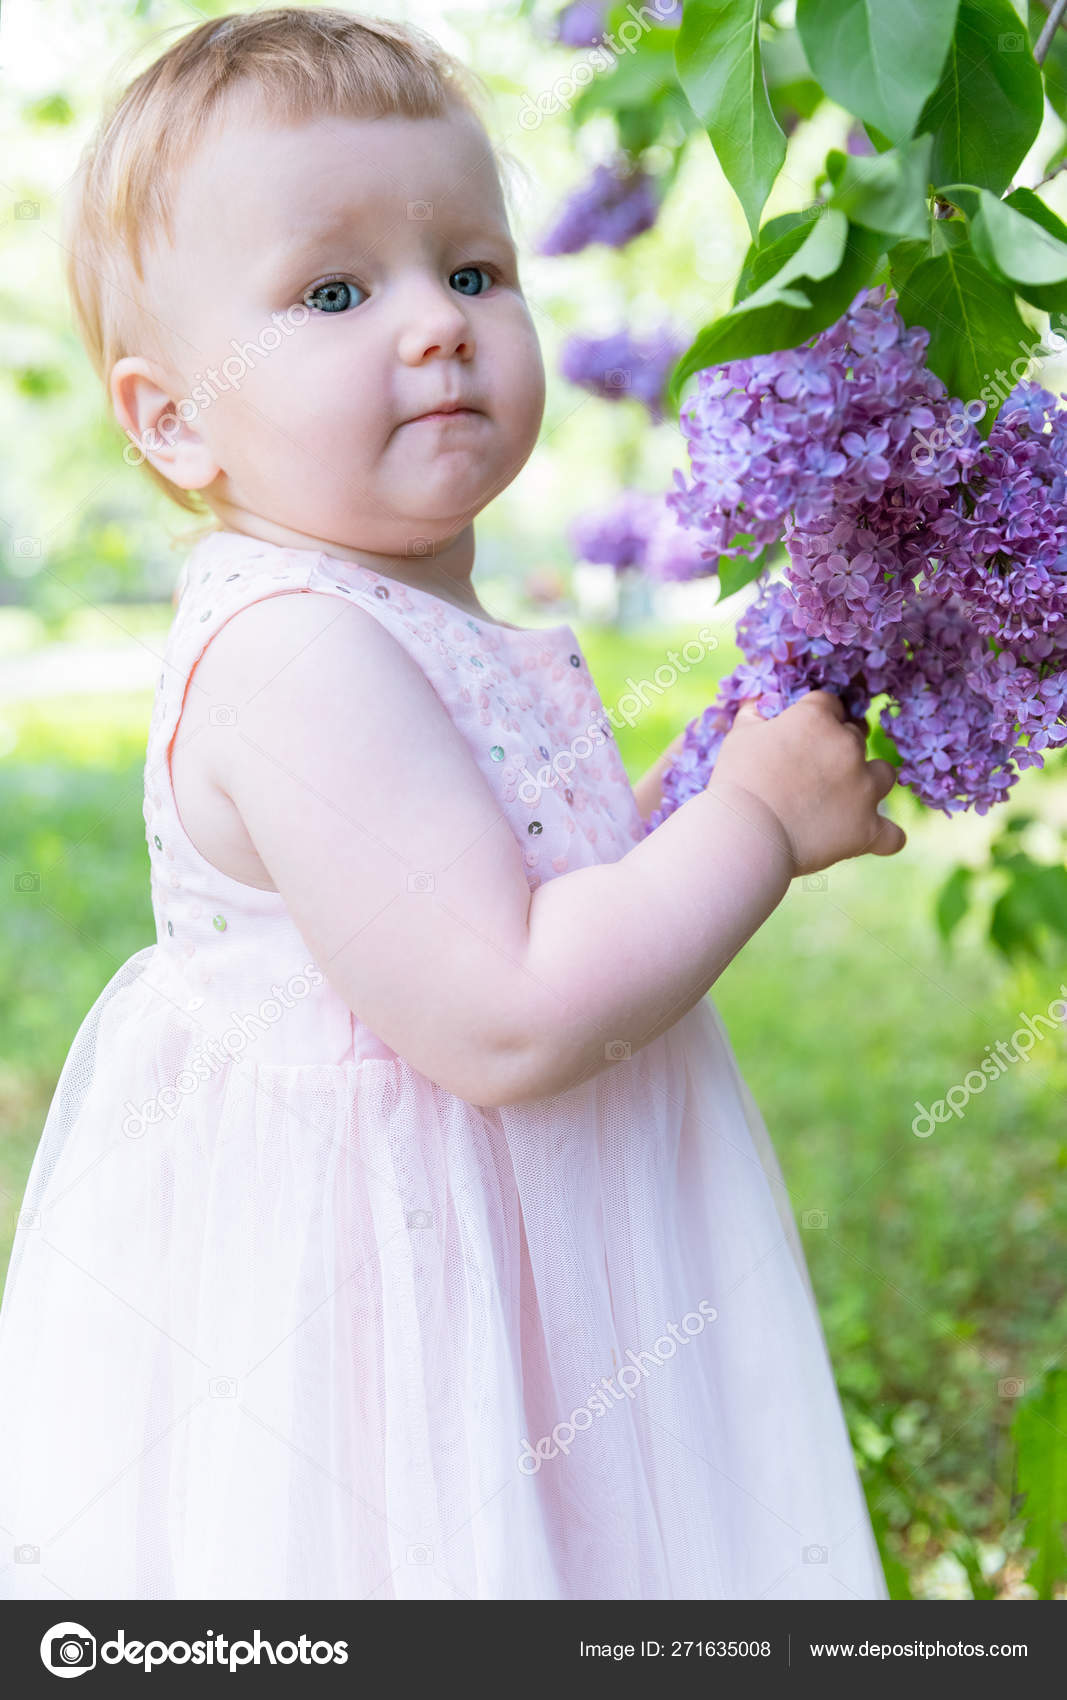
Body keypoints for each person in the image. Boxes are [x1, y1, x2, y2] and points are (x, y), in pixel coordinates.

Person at [0, 7, 905, 1601]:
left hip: (533, 1257)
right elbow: (503, 1009)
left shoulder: (412, 615)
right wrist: (753, 825)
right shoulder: (292, 654)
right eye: (336, 292)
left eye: (475, 269)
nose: (438, 323)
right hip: (397, 1311)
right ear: (173, 416)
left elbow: (513, 879)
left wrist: (684, 793)